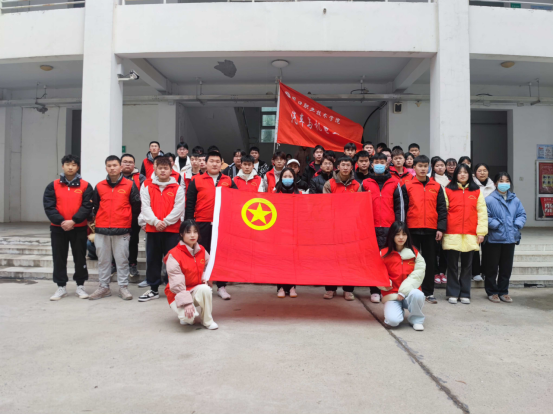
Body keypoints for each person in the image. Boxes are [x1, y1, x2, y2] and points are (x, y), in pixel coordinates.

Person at [395, 155, 447, 305]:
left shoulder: (436, 186)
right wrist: (403, 229)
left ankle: (428, 292)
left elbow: (442, 209)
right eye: (420, 166)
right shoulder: (407, 186)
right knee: (411, 261)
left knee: (429, 262)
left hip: (431, 230)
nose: (423, 169)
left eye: (425, 166)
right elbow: (403, 209)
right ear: (414, 168)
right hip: (412, 229)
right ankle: (411, 290)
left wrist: (440, 228)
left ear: (428, 168)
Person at [89, 156, 141, 301]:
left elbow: (136, 206)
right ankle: (104, 287)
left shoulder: (130, 185)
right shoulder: (99, 186)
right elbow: (96, 206)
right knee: (103, 260)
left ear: (120, 167)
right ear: (106, 168)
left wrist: (127, 221)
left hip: (122, 229)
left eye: (115, 165)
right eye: (109, 165)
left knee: (122, 260)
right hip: (102, 229)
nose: (112, 168)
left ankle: (123, 287)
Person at [43, 155, 94, 301]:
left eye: (73, 165)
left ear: (78, 167)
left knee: (80, 257)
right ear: (62, 166)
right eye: (67, 164)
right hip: (58, 228)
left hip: (78, 228)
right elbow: (49, 206)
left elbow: (87, 206)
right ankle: (61, 287)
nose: (70, 167)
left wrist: (74, 221)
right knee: (59, 257)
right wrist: (61, 222)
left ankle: (80, 286)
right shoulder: (53, 185)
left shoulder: (85, 186)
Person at [185, 151, 234, 300]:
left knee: (221, 256)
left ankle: (221, 286)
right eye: (211, 161)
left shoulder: (228, 180)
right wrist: (189, 225)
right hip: (202, 224)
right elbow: (190, 204)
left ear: (221, 164)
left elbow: (237, 200)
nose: (214, 164)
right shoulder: (196, 180)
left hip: (222, 225)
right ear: (205, 163)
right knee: (201, 255)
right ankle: (203, 285)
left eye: (217, 161)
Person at [138, 157, 185, 303]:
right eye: (160, 168)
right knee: (153, 260)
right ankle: (153, 289)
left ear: (171, 170)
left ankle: (174, 289)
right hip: (153, 230)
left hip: (172, 230)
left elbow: (178, 208)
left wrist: (165, 222)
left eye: (166, 168)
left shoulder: (177, 188)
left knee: (172, 261)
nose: (163, 171)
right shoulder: (147, 185)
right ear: (155, 169)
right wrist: (155, 222)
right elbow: (145, 207)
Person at [443, 164, 488, 305]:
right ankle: (452, 293)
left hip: (470, 233)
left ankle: (465, 293)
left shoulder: (476, 191)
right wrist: (442, 229)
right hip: (452, 232)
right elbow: (443, 211)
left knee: (467, 266)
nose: (462, 175)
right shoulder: (448, 190)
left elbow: (482, 213)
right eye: (460, 172)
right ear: (455, 175)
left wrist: (481, 232)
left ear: (469, 175)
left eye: (465, 172)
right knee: (452, 266)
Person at [164, 220, 218, 330]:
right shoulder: (174, 255)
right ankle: (185, 316)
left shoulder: (201, 250)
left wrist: (205, 277)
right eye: (188, 232)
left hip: (195, 289)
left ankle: (207, 321)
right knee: (189, 319)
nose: (193, 235)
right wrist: (187, 303)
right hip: (177, 293)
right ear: (181, 234)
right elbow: (177, 283)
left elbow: (210, 266)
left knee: (205, 289)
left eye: (195, 231)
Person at [362, 153, 401, 303]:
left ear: (387, 165)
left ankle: (388, 289)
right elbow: (359, 206)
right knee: (373, 260)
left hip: (389, 227)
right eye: (376, 162)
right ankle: (374, 290)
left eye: (382, 162)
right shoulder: (365, 183)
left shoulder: (395, 182)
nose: (379, 164)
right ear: (372, 165)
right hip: (370, 227)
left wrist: (399, 227)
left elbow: (399, 207)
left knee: (389, 259)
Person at [323, 157, 361, 301]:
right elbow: (325, 205)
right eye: (343, 165)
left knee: (349, 259)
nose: (345, 167)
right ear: (338, 167)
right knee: (331, 259)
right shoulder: (329, 184)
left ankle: (348, 290)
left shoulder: (357, 185)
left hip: (350, 228)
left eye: (348, 165)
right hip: (333, 227)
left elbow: (359, 206)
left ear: (352, 168)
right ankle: (330, 289)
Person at [485, 173, 527, 304]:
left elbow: (522, 214)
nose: (504, 183)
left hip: (510, 238)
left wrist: (517, 225)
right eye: (501, 181)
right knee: (492, 267)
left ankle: (503, 291)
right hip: (494, 238)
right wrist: (497, 225)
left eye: (507, 181)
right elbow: (484, 216)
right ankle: (492, 292)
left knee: (506, 268)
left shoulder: (515, 199)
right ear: (495, 183)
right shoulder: (489, 199)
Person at [378, 222, 426, 331]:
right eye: (397, 234)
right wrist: (385, 284)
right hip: (392, 295)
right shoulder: (383, 253)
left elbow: (418, 274)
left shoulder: (414, 253)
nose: (401, 237)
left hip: (410, 293)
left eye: (404, 234)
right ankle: (396, 311)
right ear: (392, 235)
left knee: (418, 294)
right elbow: (378, 274)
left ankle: (416, 320)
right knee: (393, 321)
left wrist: (403, 291)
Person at [273, 168, 301, 298]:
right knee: (280, 260)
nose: (287, 178)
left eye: (290, 176)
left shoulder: (299, 193)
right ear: (281, 178)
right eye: (285, 176)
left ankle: (292, 287)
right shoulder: (274, 193)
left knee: (293, 260)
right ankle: (280, 288)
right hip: (279, 232)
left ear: (294, 178)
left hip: (294, 231)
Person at [121, 154, 146, 281]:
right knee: (117, 241)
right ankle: (114, 264)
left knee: (133, 240)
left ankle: (132, 264)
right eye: (125, 162)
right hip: (118, 215)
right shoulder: (115, 177)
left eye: (130, 162)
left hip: (134, 214)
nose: (127, 164)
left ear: (134, 164)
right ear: (120, 164)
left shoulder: (141, 178)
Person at [472, 163, 496, 282]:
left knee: (488, 249)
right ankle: (476, 272)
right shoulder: (471, 185)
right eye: (479, 170)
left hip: (489, 221)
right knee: (475, 248)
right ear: (475, 172)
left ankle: (486, 271)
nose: (482, 173)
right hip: (474, 220)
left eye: (485, 170)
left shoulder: (493, 186)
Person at [430, 157, 449, 285]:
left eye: (442, 165)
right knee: (434, 248)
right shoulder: (431, 181)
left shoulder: (451, 181)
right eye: (437, 165)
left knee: (445, 248)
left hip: (447, 217)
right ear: (433, 167)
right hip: (433, 218)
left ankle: (442, 271)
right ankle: (435, 272)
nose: (440, 167)